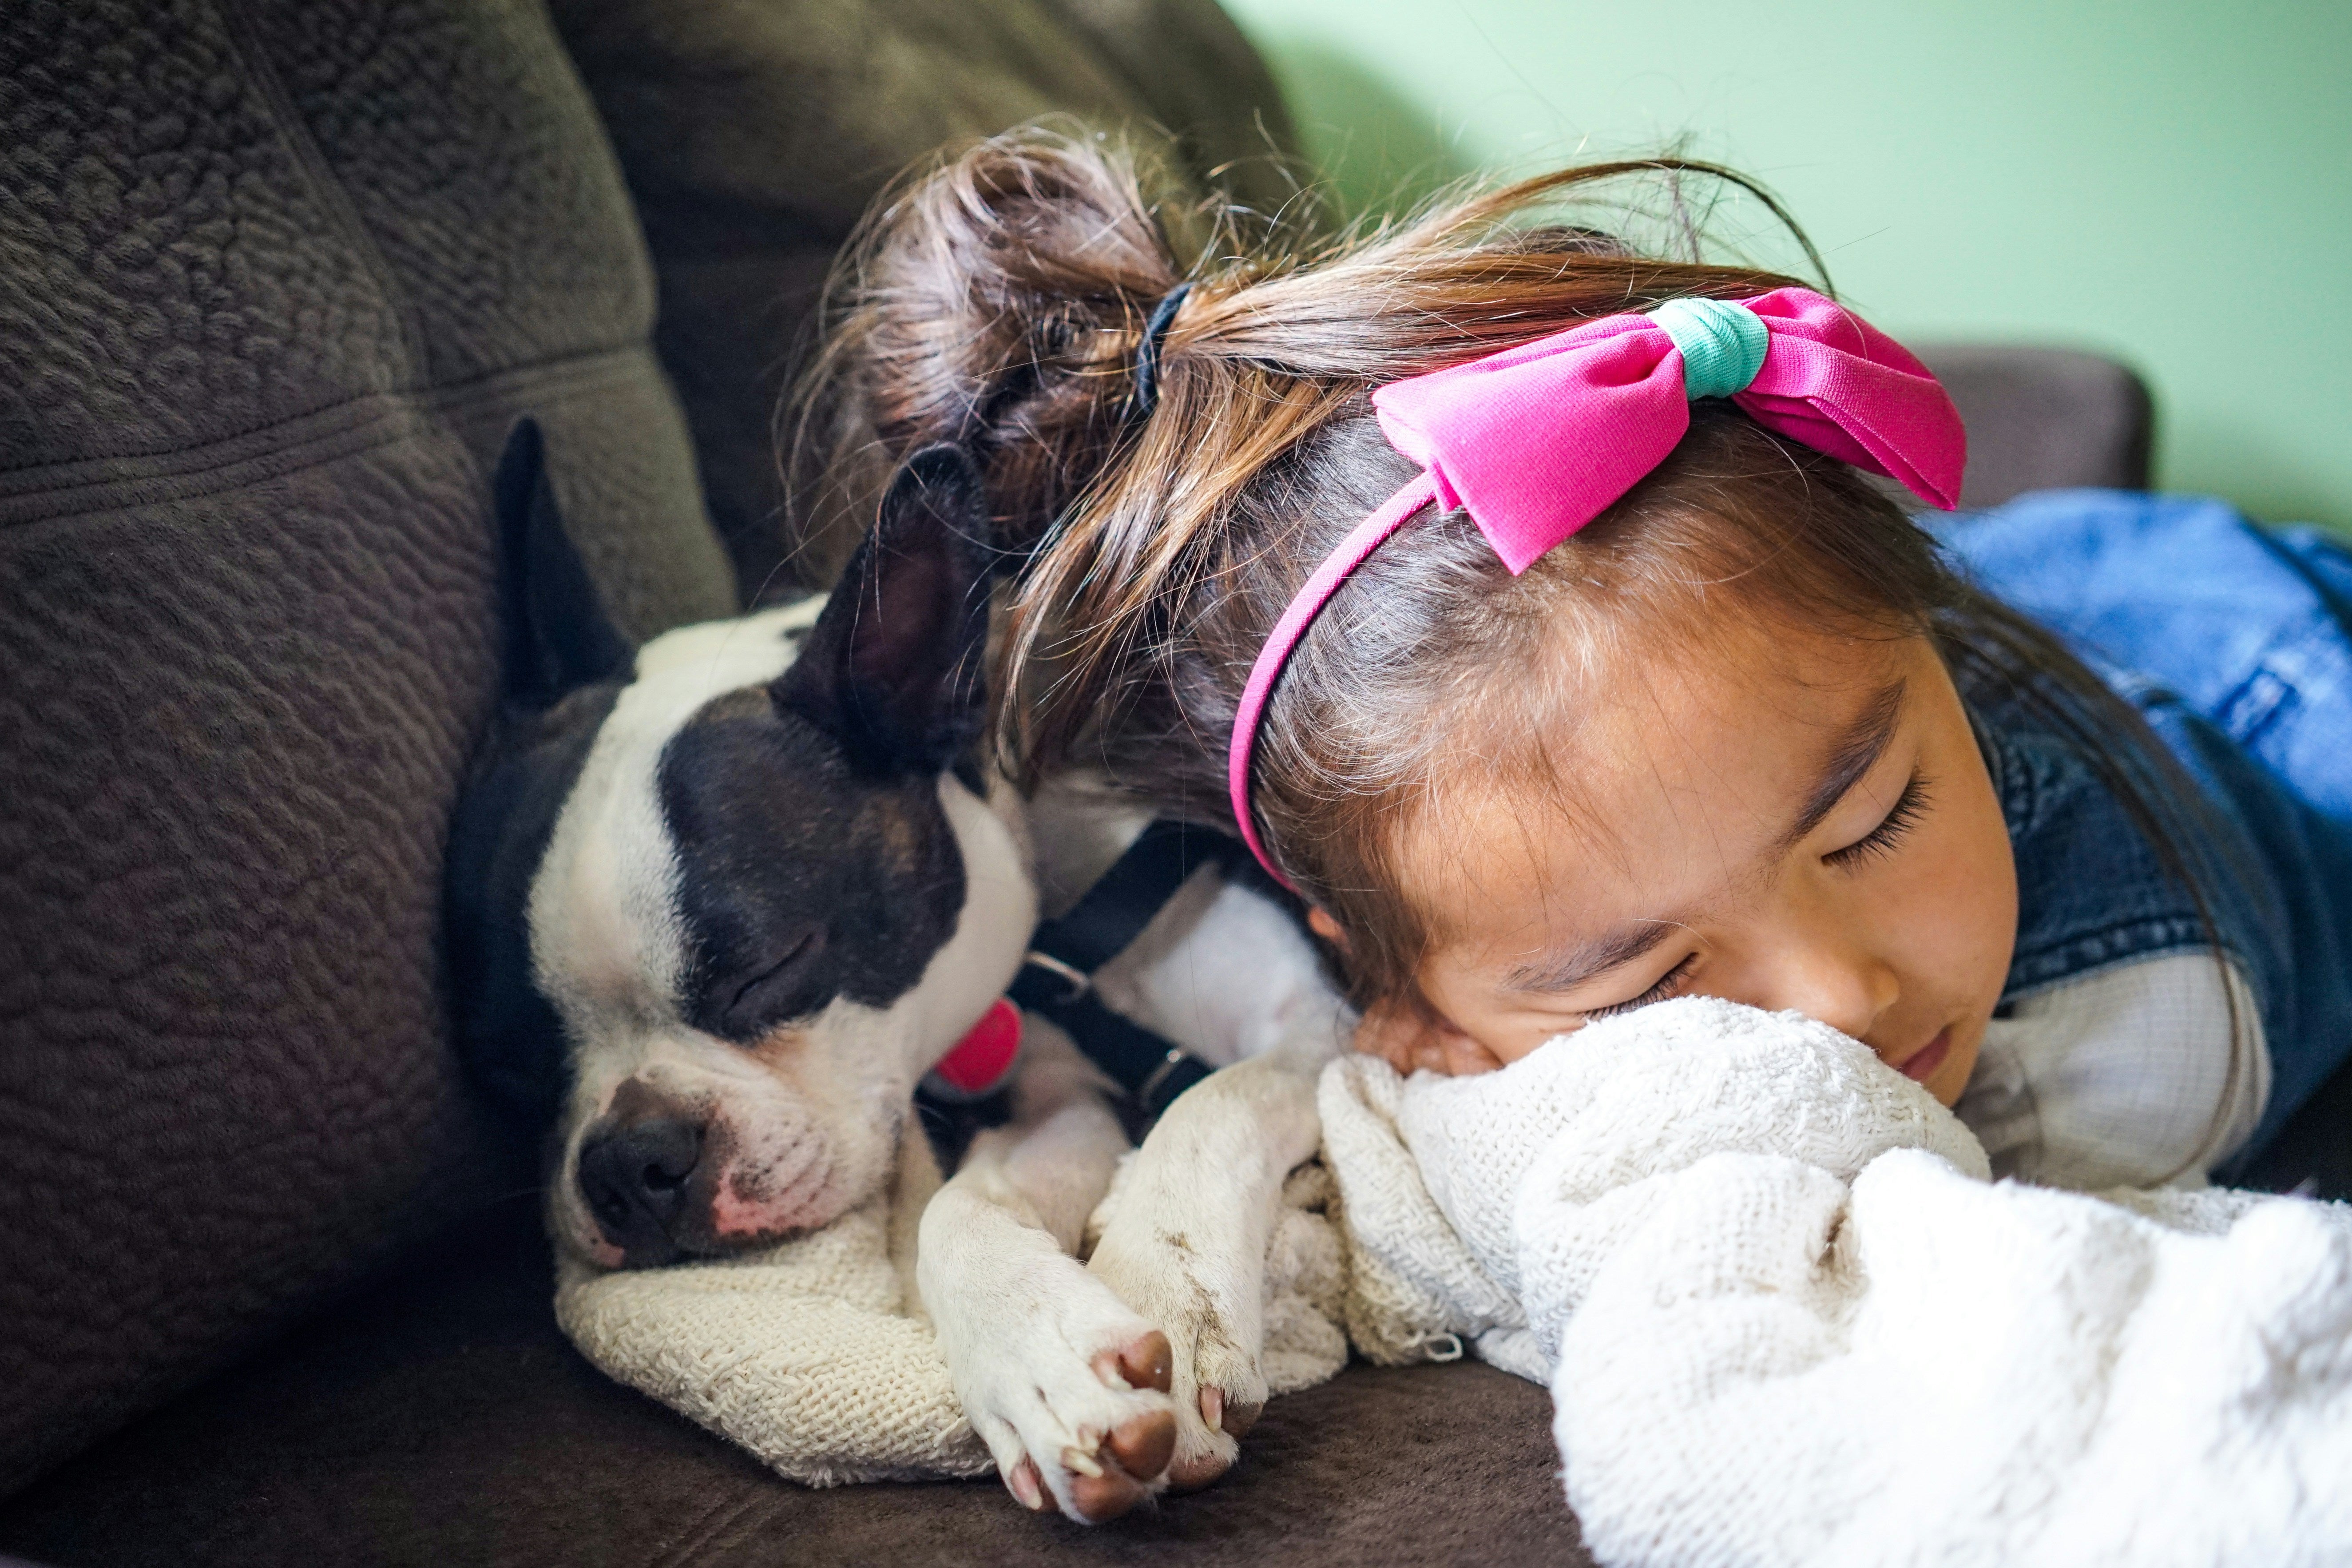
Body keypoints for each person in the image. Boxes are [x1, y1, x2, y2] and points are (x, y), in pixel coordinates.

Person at [799, 127, 2352, 1191]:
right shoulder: (1394, 824)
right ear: (1392, 988)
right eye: (1648, 976)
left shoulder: (2150, 1037)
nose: (1841, 995)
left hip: (2254, 658)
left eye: (1873, 817)